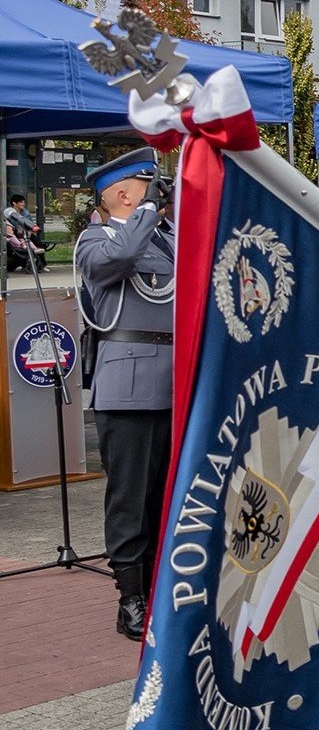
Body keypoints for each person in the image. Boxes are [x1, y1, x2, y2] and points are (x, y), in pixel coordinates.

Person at [73, 150, 174, 640]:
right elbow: (120, 260)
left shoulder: (166, 239)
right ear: (121, 194)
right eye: (146, 184)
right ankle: (130, 598)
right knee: (130, 500)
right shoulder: (97, 239)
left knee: (163, 497)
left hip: (175, 384)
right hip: (128, 387)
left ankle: (157, 589)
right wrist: (149, 213)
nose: (158, 191)